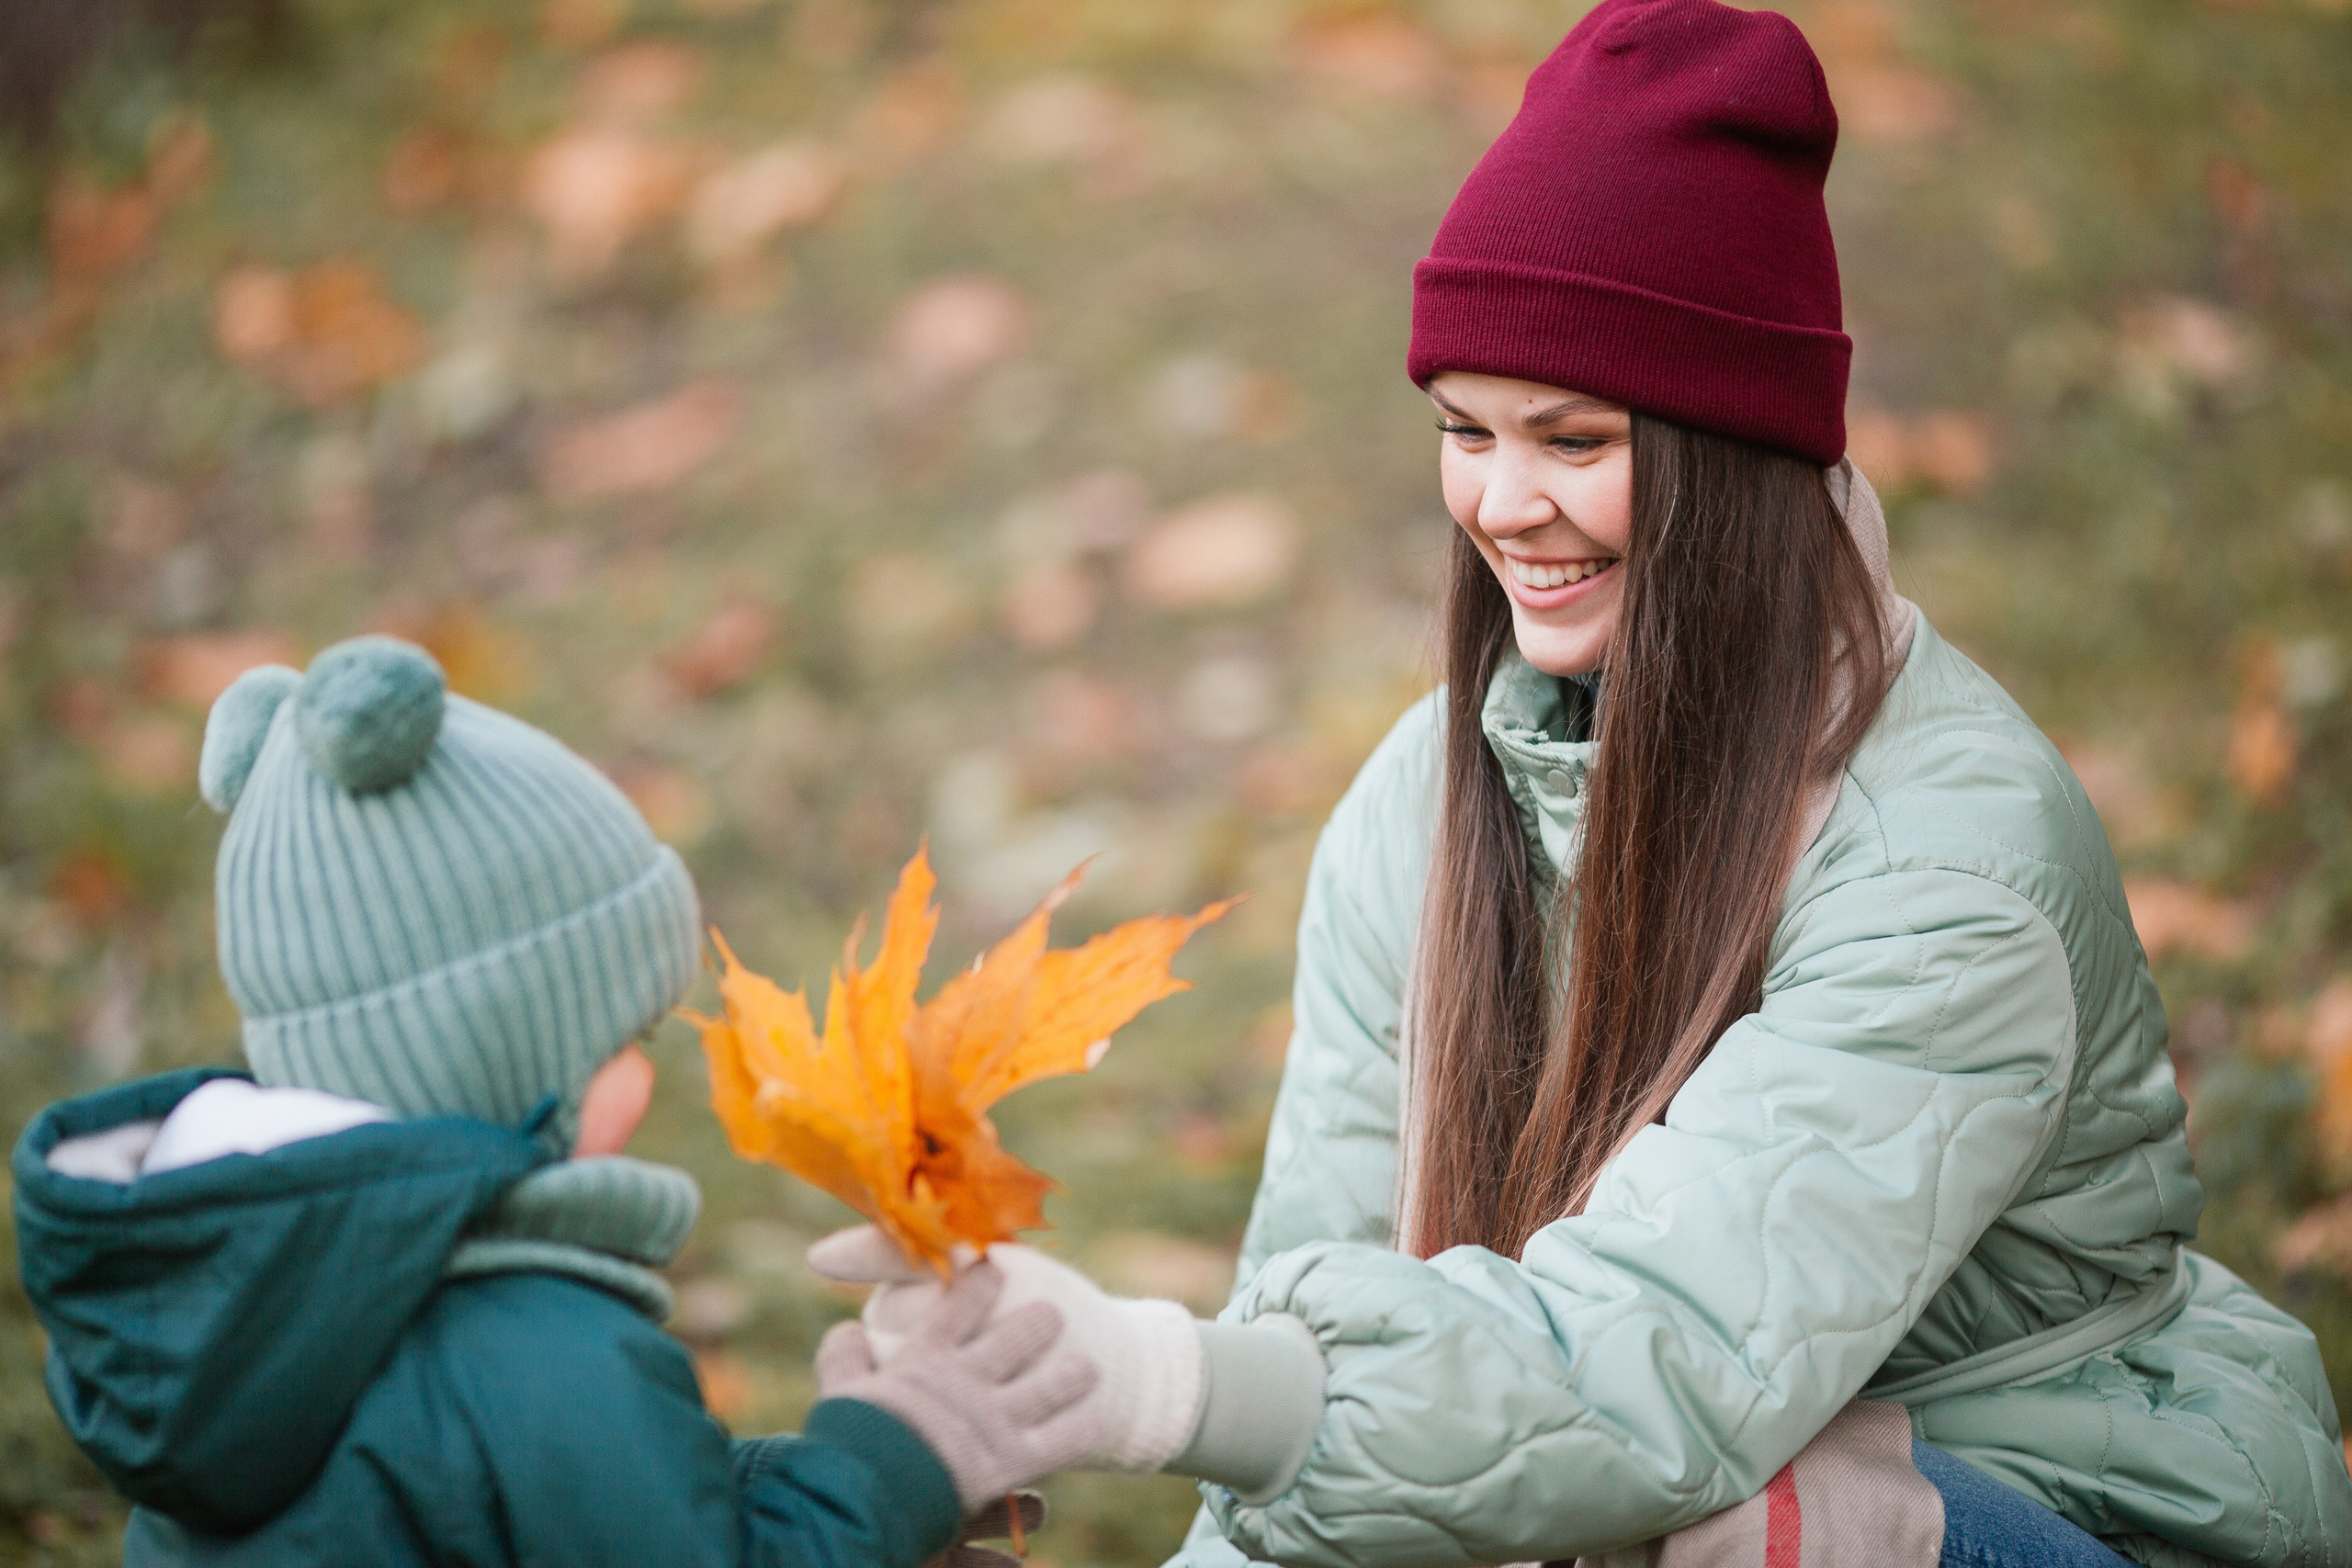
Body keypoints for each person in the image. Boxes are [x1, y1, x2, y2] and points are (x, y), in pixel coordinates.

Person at [822, 3, 2352, 1565]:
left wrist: (1155, 1382)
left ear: (1730, 456)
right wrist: (1133, 1407)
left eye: (1573, 439)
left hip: (2036, 1503)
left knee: (1721, 1524)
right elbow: (1327, 1329)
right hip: (1647, 1467)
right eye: (1464, 430)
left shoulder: (1944, 865)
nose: (1502, 501)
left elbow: (1655, 1370)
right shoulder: (1421, 806)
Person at [12, 635, 1102, 1568]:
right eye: (617, 1042)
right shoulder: (540, 1348)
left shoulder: (229, 1308)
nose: (645, 1071)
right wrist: (902, 1450)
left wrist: (803, 1476)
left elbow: (527, 1513)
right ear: (485, 1060)